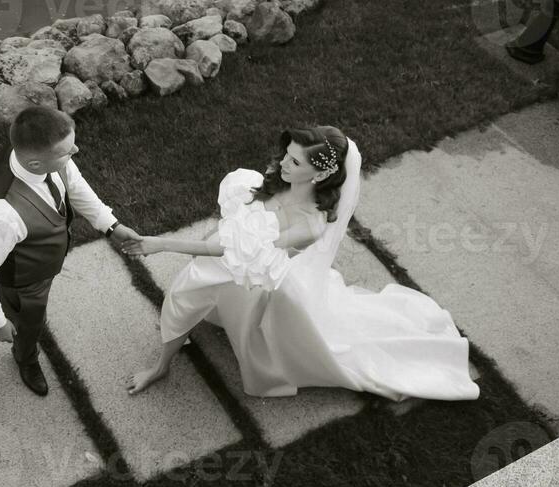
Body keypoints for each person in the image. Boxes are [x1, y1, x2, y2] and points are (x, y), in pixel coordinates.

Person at [125, 125, 480, 402]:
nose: (282, 163)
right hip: (233, 256)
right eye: (287, 155)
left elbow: (239, 251)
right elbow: (232, 224)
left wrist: (160, 244)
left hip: (255, 278)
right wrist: (209, 238)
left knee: (193, 297)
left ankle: (159, 368)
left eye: (295, 161)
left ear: (320, 175)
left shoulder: (308, 226)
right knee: (183, 300)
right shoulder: (274, 178)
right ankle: (165, 362)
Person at [0, 107, 141, 396]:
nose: (76, 152)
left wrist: (111, 225)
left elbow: (75, 185)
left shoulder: (43, 153)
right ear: (34, 164)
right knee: (30, 321)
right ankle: (27, 359)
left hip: (31, 267)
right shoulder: (0, 215)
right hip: (25, 277)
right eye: (68, 152)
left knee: (6, 303)